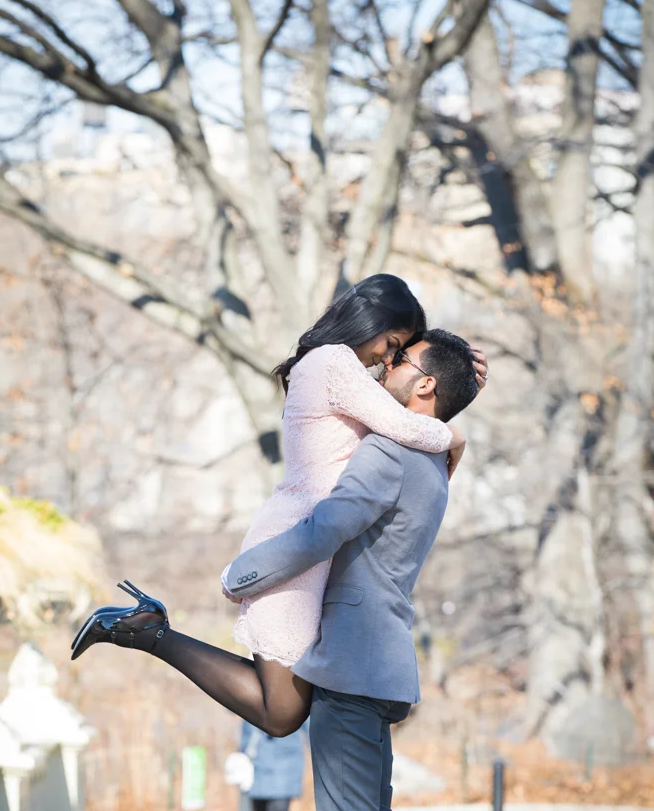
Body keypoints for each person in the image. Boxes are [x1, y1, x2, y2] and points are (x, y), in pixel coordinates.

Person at [71, 276, 486, 745]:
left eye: (398, 353)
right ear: (368, 322)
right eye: (390, 344)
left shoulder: (345, 372)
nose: (387, 359)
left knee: (285, 708)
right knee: (283, 713)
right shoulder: (331, 363)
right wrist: (455, 436)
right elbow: (407, 424)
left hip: (313, 550)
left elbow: (414, 403)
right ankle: (148, 633)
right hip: (295, 542)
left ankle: (149, 629)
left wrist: (461, 380)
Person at [217, 330, 481, 811]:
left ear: (424, 386)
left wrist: (242, 575)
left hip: (354, 660)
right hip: (377, 658)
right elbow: (441, 420)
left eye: (400, 361)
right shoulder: (431, 458)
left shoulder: (391, 451)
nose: (384, 366)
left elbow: (326, 526)